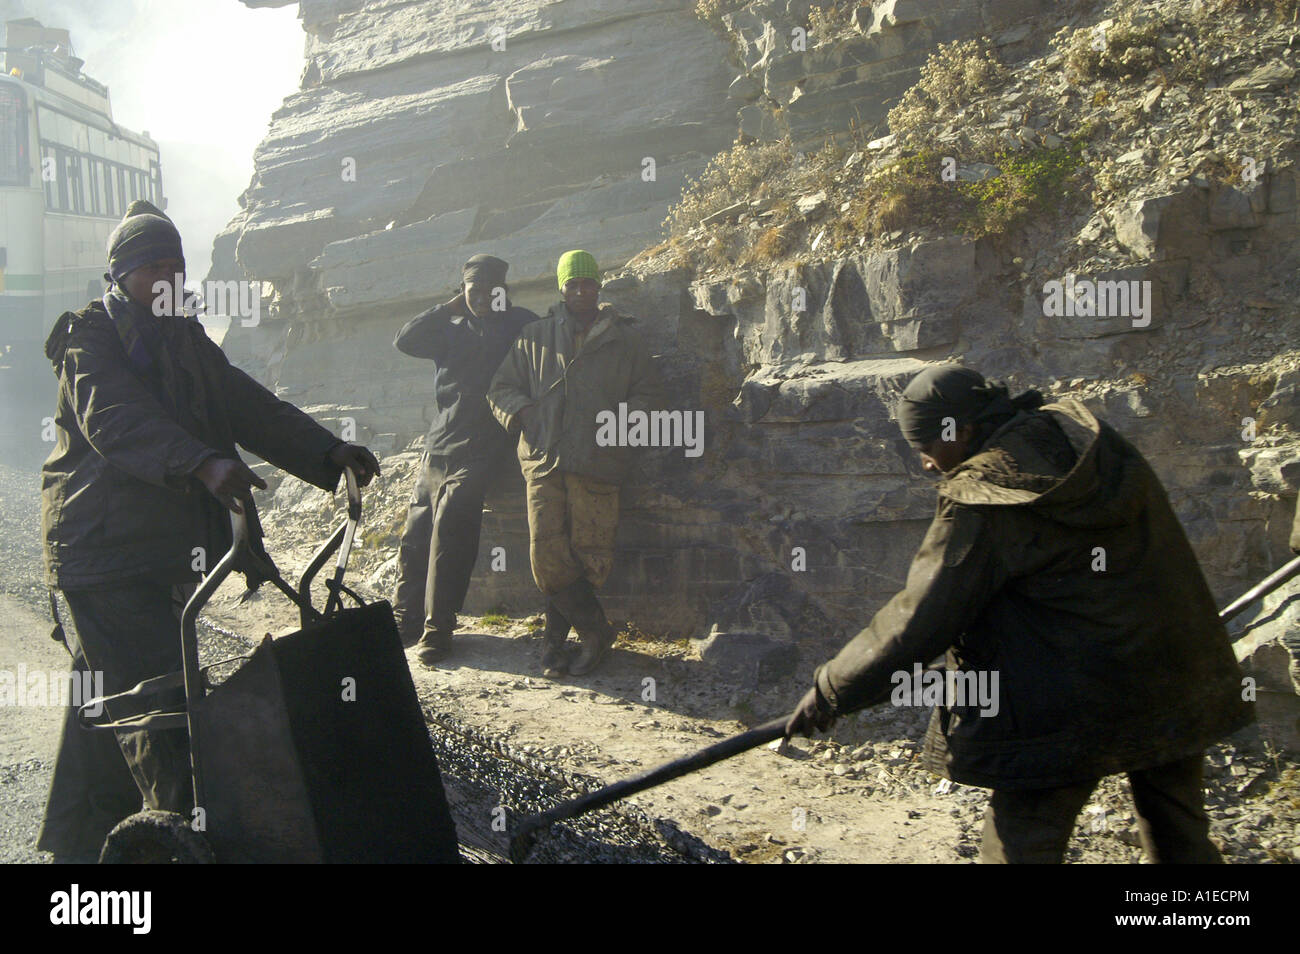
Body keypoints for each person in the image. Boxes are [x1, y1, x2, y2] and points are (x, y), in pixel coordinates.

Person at [785, 364, 1255, 863]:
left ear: (961, 431)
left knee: (1024, 838)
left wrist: (831, 689)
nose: (924, 465)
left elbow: (919, 619)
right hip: (1175, 673)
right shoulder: (1083, 443)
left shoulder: (983, 497)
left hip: (1066, 705)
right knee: (1177, 830)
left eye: (926, 447)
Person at [37, 200, 379, 862]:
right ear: (120, 275)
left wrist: (326, 452)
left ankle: (75, 852)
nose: (167, 279)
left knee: (104, 695)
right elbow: (116, 420)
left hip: (154, 552)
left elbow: (247, 404)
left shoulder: (183, 338)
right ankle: (174, 839)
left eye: (175, 266)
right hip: (99, 552)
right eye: (151, 268)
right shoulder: (88, 339)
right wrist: (198, 459)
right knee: (156, 699)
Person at [488, 250, 660, 677]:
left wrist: (619, 427)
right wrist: (523, 413)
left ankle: (554, 645)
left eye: (588, 283)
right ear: (560, 288)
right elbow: (500, 388)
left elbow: (649, 396)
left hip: (599, 463)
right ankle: (596, 632)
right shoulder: (534, 336)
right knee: (546, 554)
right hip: (544, 460)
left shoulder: (626, 340)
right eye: (573, 284)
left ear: (598, 287)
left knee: (589, 555)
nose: (581, 290)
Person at [390, 254, 537, 667]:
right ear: (463, 291)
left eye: (489, 291)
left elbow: (556, 341)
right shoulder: (449, 332)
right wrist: (449, 308)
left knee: (451, 529)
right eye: (472, 291)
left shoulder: (520, 325)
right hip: (438, 446)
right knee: (416, 534)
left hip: (485, 446)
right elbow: (405, 339)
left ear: (502, 291)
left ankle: (438, 630)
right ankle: (406, 620)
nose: (481, 299)